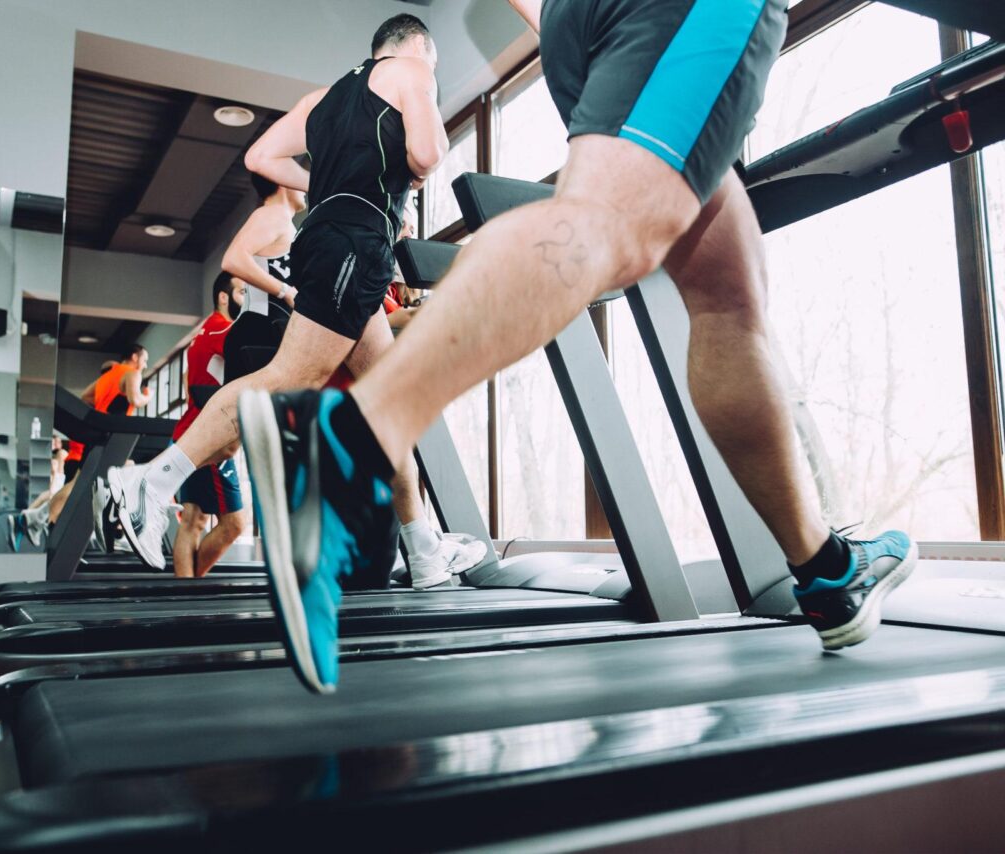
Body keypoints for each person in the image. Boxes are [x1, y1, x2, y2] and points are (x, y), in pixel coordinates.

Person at [235, 2, 919, 693]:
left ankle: (825, 570)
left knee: (725, 299)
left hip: (580, 28)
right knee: (603, 226)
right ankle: (353, 433)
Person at [108, 21, 484, 590]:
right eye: (431, 64)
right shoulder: (411, 72)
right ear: (416, 49)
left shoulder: (323, 98)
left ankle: (424, 549)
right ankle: (153, 483)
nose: (430, 75)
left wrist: (325, 188)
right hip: (356, 246)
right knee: (287, 376)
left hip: (328, 244)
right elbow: (427, 156)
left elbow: (261, 157)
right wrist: (409, 143)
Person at [20, 344, 152, 544]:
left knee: (79, 485)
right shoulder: (132, 373)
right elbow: (135, 398)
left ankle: (42, 520)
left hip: (100, 435)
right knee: (113, 477)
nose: (145, 364)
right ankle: (119, 528)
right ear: (135, 357)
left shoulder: (107, 376)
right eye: (145, 359)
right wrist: (147, 396)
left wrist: (100, 411)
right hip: (112, 438)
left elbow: (85, 397)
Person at [171, 273, 248, 578]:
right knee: (234, 524)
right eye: (243, 292)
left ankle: (185, 590)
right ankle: (188, 588)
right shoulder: (221, 328)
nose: (247, 298)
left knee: (193, 519)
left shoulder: (204, 332)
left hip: (188, 434)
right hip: (208, 439)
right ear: (223, 297)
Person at [219, 172, 302, 384]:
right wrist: (285, 290)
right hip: (259, 331)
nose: (304, 186)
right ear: (283, 182)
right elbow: (233, 259)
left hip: (270, 330)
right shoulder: (273, 214)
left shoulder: (282, 221)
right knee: (238, 414)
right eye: (297, 177)